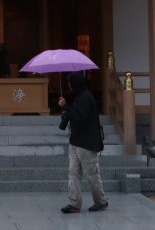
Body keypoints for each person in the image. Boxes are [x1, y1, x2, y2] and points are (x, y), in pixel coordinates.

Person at [57, 71, 108, 213]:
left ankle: (101, 201)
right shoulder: (78, 97)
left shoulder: (86, 97)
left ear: (75, 82)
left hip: (86, 141)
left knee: (91, 173)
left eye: (70, 82)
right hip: (75, 140)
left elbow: (80, 117)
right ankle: (74, 203)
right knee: (73, 172)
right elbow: (75, 114)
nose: (68, 85)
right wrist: (67, 111)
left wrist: (66, 106)